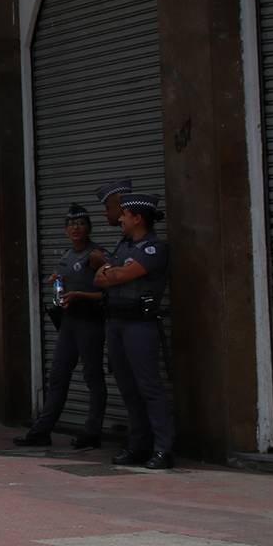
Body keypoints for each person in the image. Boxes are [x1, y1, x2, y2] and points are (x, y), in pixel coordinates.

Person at [14, 204, 106, 448]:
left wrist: (80, 295)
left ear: (89, 228)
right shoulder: (66, 256)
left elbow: (109, 293)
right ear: (65, 230)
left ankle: (92, 433)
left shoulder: (96, 255)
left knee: (93, 377)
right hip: (69, 322)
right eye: (71, 225)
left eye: (81, 224)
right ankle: (41, 431)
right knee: (58, 376)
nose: (76, 228)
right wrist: (58, 282)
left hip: (90, 322)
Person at [95, 192, 176, 469]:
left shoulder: (154, 249)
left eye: (125, 215)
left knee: (149, 387)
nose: (120, 219)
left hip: (140, 325)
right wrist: (111, 272)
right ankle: (138, 445)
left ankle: (163, 449)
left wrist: (112, 272)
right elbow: (99, 279)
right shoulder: (123, 247)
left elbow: (119, 275)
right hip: (116, 323)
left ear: (138, 218)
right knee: (128, 388)